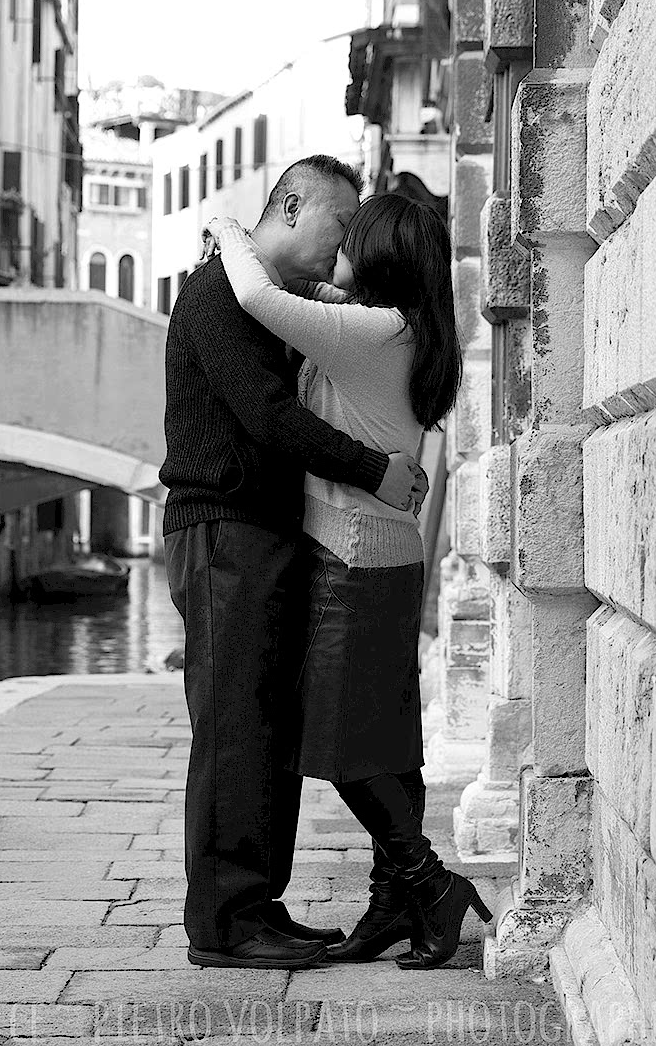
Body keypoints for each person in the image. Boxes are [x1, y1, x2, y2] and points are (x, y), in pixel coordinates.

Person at [202, 185, 488, 970]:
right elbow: (320, 295)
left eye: (353, 237)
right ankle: (394, 901)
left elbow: (257, 293)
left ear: (382, 254)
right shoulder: (410, 328)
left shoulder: (364, 334)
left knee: (338, 744)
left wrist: (228, 226)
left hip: (352, 557)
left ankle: (430, 885)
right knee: (390, 740)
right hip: (392, 553)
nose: (341, 249)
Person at [160, 155, 429, 970]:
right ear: (291, 204)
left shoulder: (283, 304)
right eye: (339, 223)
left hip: (263, 535)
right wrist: (375, 468)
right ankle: (225, 920)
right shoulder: (216, 295)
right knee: (235, 722)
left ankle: (258, 903)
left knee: (264, 723)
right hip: (222, 530)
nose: (344, 242)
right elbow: (272, 419)